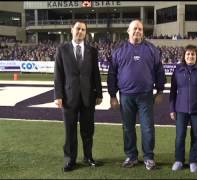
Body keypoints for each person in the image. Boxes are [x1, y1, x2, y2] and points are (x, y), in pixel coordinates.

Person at [107, 19, 166, 171]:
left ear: (143, 32)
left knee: (147, 128)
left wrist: (160, 91)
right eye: (134, 29)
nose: (137, 31)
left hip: (146, 95)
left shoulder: (152, 49)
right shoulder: (119, 50)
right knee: (128, 128)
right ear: (128, 31)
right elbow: (112, 74)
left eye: (140, 29)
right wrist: (113, 96)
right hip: (126, 95)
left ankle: (148, 157)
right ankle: (131, 156)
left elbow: (160, 71)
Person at [54, 20, 103, 172]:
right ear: (72, 30)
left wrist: (99, 93)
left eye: (83, 29)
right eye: (78, 29)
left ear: (86, 33)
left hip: (88, 96)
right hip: (69, 97)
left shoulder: (92, 51)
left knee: (88, 130)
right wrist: (58, 95)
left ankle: (88, 157)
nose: (80, 32)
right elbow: (58, 74)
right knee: (70, 130)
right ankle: (70, 160)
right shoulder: (62, 49)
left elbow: (96, 73)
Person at [169, 45, 197, 173]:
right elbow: (172, 92)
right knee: (180, 136)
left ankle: (193, 161)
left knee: (196, 136)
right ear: (184, 56)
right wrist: (172, 109)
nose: (190, 56)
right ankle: (179, 160)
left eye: (193, 54)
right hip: (180, 109)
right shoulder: (177, 70)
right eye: (188, 54)